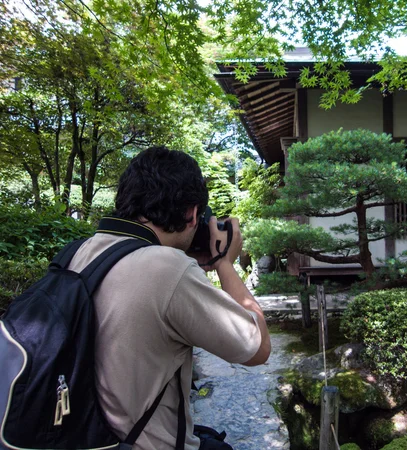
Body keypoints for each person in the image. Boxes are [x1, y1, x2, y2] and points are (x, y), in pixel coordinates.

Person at [66, 146, 271, 449]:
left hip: (81, 435)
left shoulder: (80, 252)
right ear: (191, 213)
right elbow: (258, 348)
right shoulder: (167, 269)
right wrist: (223, 263)